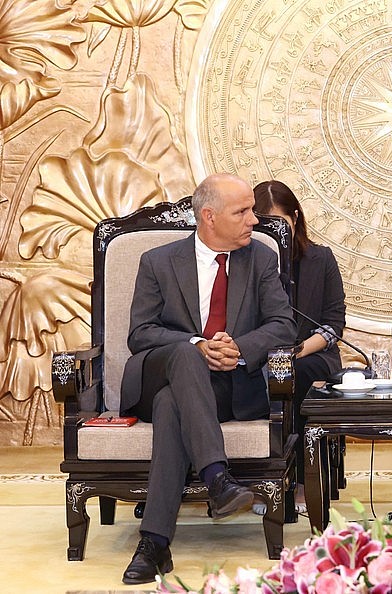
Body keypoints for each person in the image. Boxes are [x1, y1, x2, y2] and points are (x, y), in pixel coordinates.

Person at [119, 173, 297, 584]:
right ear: (209, 216)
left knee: (171, 407)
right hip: (157, 374)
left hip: (224, 387)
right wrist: (198, 344)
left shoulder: (260, 259)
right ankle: (217, 475)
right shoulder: (158, 262)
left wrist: (240, 349)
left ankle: (155, 543)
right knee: (184, 354)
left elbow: (282, 325)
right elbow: (139, 333)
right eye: (243, 211)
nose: (254, 219)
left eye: (252, 209)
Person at [252, 180, 346, 514]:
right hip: (258, 357)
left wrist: (297, 350)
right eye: (263, 225)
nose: (273, 233)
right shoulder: (245, 262)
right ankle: (262, 479)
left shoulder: (320, 259)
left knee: (298, 375)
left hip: (312, 354)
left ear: (295, 218)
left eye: (279, 224)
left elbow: (334, 323)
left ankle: (305, 481)